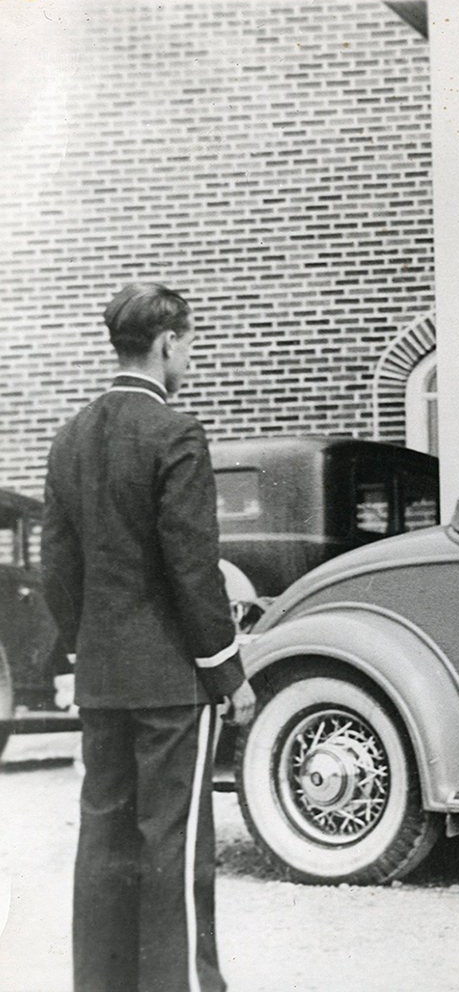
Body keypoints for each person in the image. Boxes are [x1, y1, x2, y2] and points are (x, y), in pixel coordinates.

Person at [41, 282, 256, 992]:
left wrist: (82, 655)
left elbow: (59, 570)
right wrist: (228, 674)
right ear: (167, 342)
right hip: (170, 683)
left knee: (103, 847)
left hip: (101, 684)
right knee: (173, 852)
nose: (188, 358)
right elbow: (192, 568)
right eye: (188, 344)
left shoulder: (69, 437)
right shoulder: (176, 433)